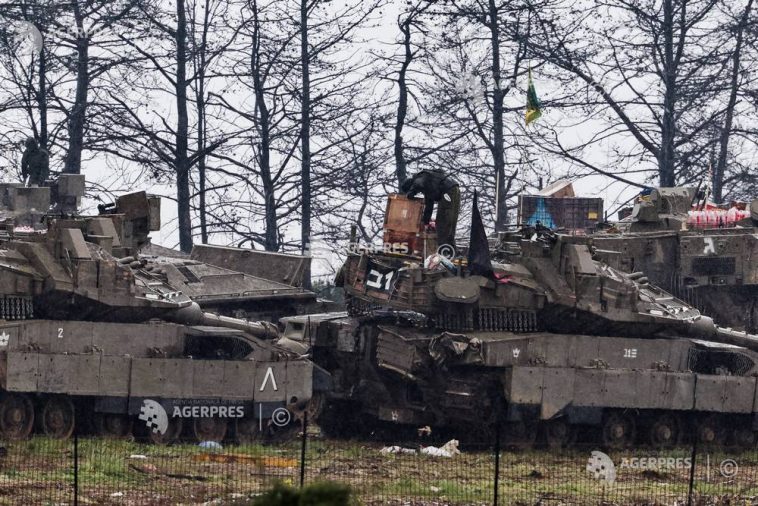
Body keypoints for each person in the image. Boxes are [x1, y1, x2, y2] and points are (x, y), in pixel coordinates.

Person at [401, 169, 460, 249]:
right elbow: (429, 206)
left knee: (442, 221)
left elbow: (418, 183)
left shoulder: (420, 178)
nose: (418, 193)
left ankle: (444, 249)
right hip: (454, 189)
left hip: (447, 192)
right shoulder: (429, 184)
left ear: (410, 185)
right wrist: (426, 221)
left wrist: (411, 192)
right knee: (450, 221)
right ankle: (451, 248)